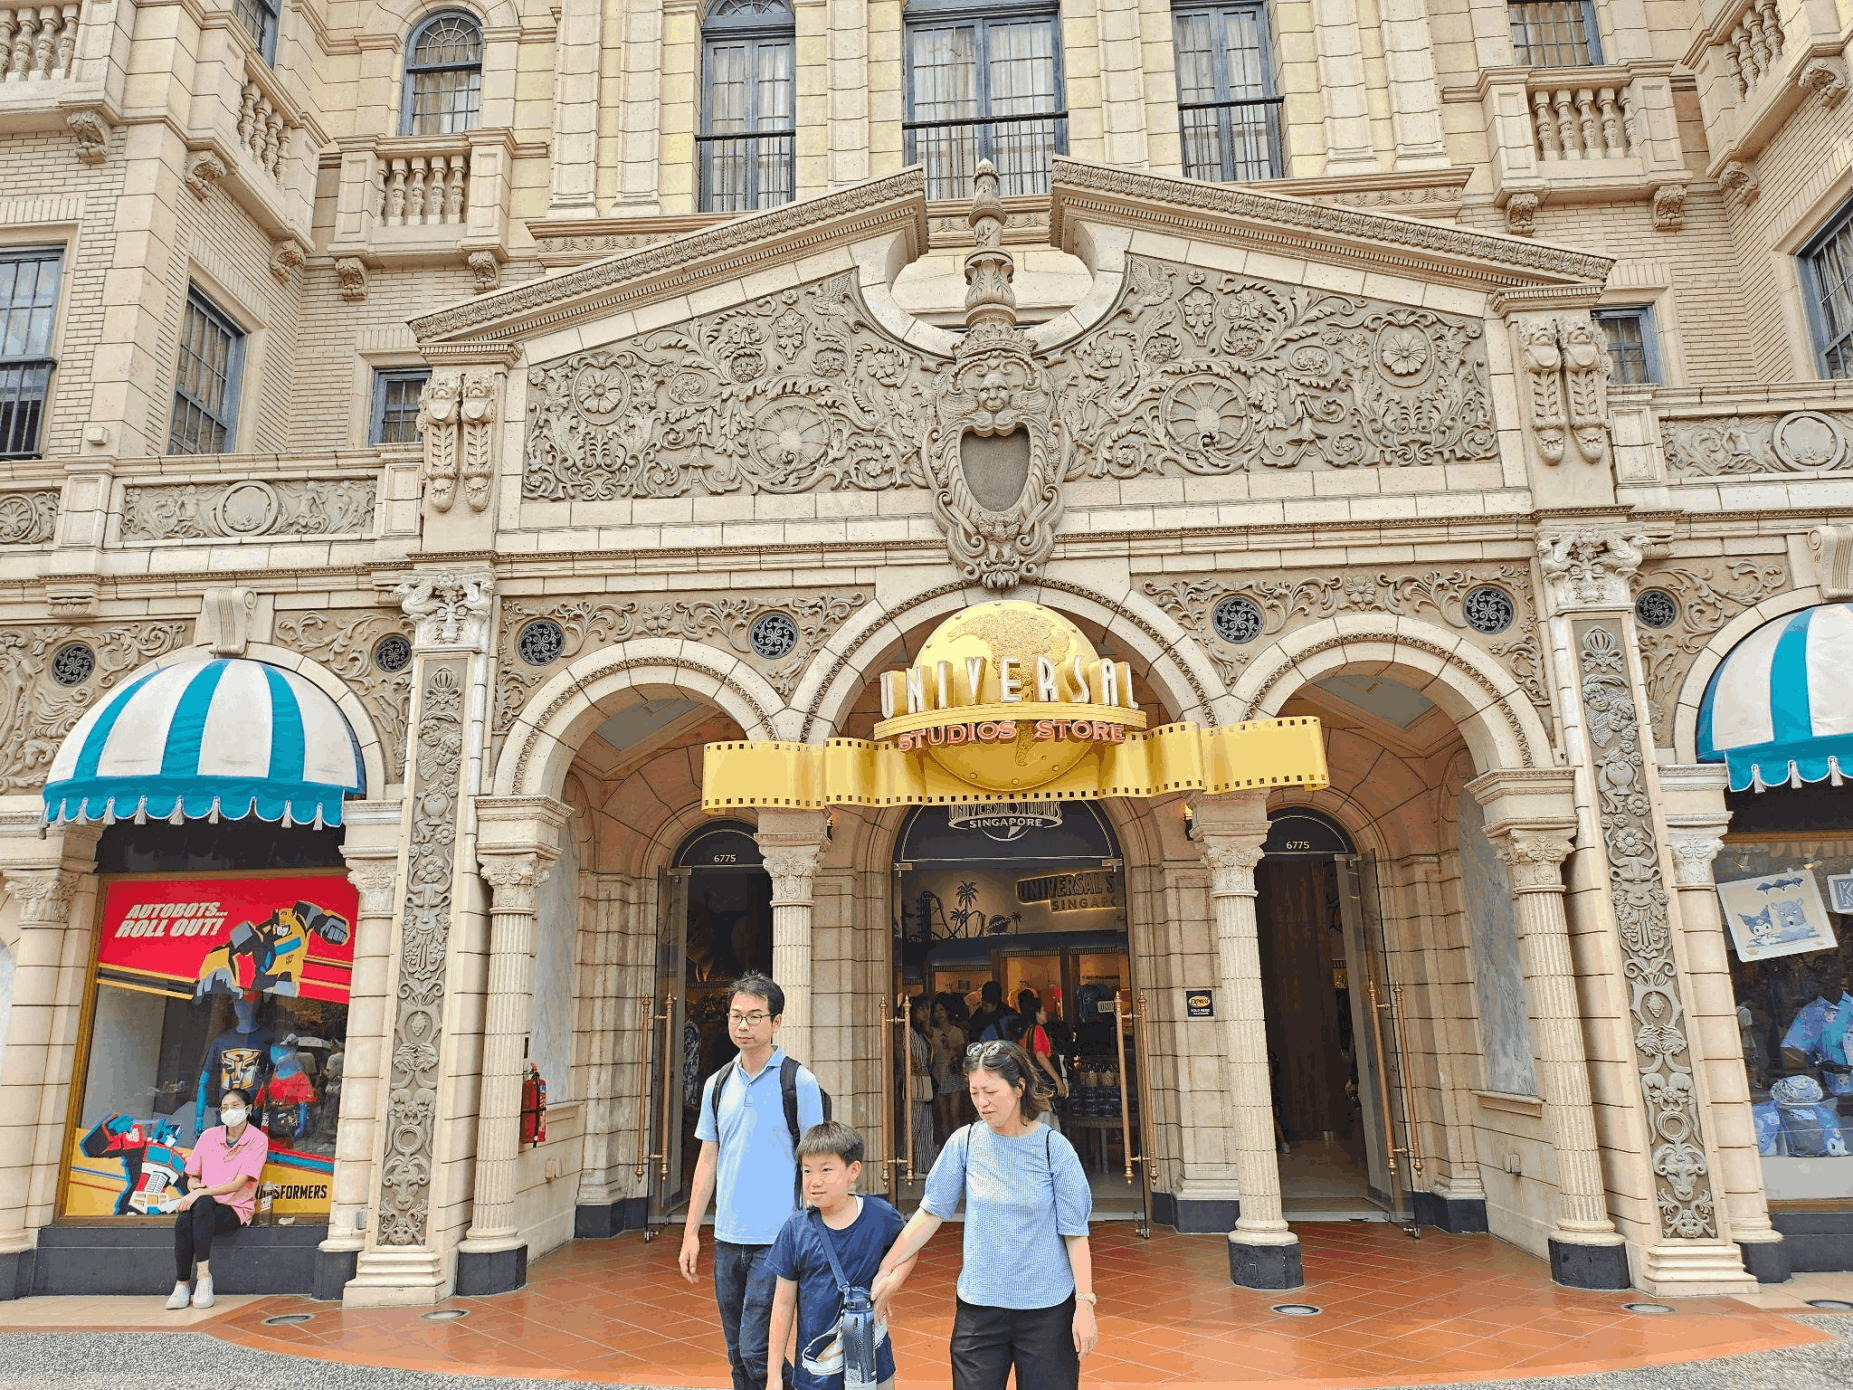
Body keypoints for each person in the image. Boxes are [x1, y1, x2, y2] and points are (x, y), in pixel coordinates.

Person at [872, 1041, 1097, 1390]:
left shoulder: (1055, 1149)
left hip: (1047, 1311)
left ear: (1019, 1087)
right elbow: (930, 1213)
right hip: (979, 1310)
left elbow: (1075, 1232)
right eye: (975, 1092)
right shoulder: (965, 1142)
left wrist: (1085, 1305)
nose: (982, 1103)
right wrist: (886, 1267)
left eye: (991, 1091)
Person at [682, 972, 829, 1390]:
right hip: (727, 1237)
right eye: (736, 1016)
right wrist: (692, 1232)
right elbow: (707, 1161)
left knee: (755, 1348)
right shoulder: (718, 1084)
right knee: (735, 1353)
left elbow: (817, 1160)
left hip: (778, 1237)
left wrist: (816, 1228)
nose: (742, 1025)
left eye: (754, 1016)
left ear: (776, 1022)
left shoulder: (798, 1082)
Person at [767, 1122, 913, 1390]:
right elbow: (783, 1303)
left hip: (874, 1367)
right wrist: (774, 1375)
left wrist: (892, 1284)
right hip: (817, 1376)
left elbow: (909, 1249)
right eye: (807, 1171)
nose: (814, 1181)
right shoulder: (796, 1229)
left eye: (826, 1170)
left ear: (853, 1171)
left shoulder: (880, 1216)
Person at [166, 1086, 268, 1310]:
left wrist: (201, 1192)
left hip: (233, 1209)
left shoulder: (257, 1140)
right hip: (204, 1207)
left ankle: (202, 1278)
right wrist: (196, 1188)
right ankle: (182, 1284)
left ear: (248, 1109)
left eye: (235, 1106)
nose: (229, 1111)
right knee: (185, 1219)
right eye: (224, 1108)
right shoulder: (208, 1137)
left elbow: (239, 1183)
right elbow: (192, 1176)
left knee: (200, 1203)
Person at [1016, 991, 1069, 1128]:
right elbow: (1040, 1057)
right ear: (1037, 1013)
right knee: (1046, 1118)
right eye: (1043, 1010)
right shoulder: (1037, 1030)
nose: (1046, 1013)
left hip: (1031, 1082)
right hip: (1041, 1083)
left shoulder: (1024, 1031)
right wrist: (1058, 1080)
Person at [907, 998, 940, 1173]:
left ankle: (923, 1164)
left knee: (926, 1124)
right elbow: (902, 1056)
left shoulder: (920, 1033)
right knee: (913, 1123)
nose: (925, 1013)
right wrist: (911, 1061)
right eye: (922, 1009)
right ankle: (909, 1165)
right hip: (915, 1081)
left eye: (927, 1009)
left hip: (923, 1081)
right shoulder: (907, 1031)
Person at [927, 999, 968, 1139]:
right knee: (943, 1115)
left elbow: (963, 1053)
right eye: (936, 1011)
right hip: (938, 1074)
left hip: (953, 1073)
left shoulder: (957, 1032)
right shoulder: (932, 1032)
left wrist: (953, 1045)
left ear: (947, 1011)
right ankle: (946, 1145)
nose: (939, 1014)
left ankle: (957, 1144)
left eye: (941, 1010)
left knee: (954, 1112)